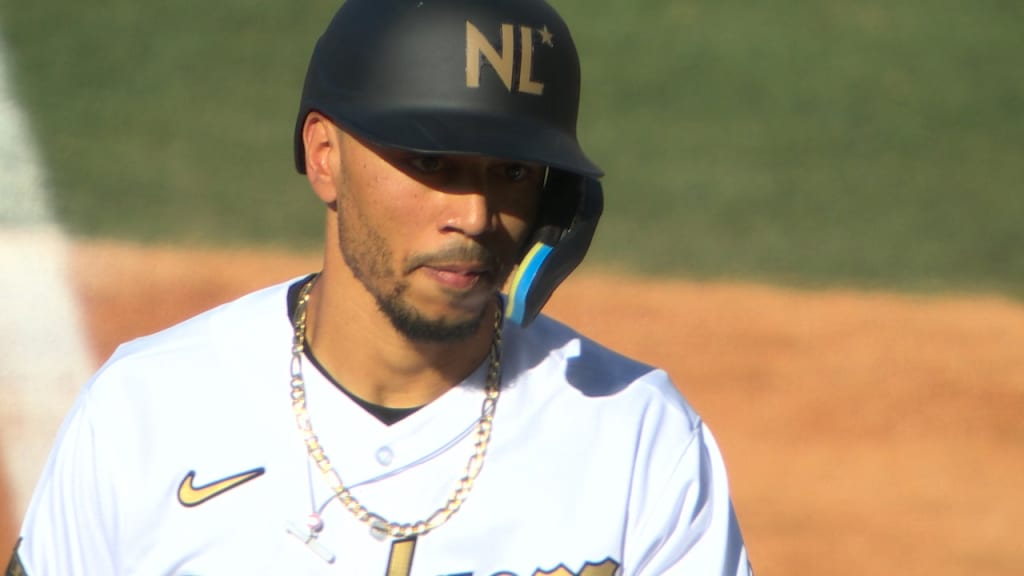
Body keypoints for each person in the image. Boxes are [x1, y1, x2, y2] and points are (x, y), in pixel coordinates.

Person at [8, 0, 753, 574]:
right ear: (325, 156)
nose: (474, 214)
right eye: (434, 163)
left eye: (513, 173)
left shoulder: (636, 438)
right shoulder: (147, 409)